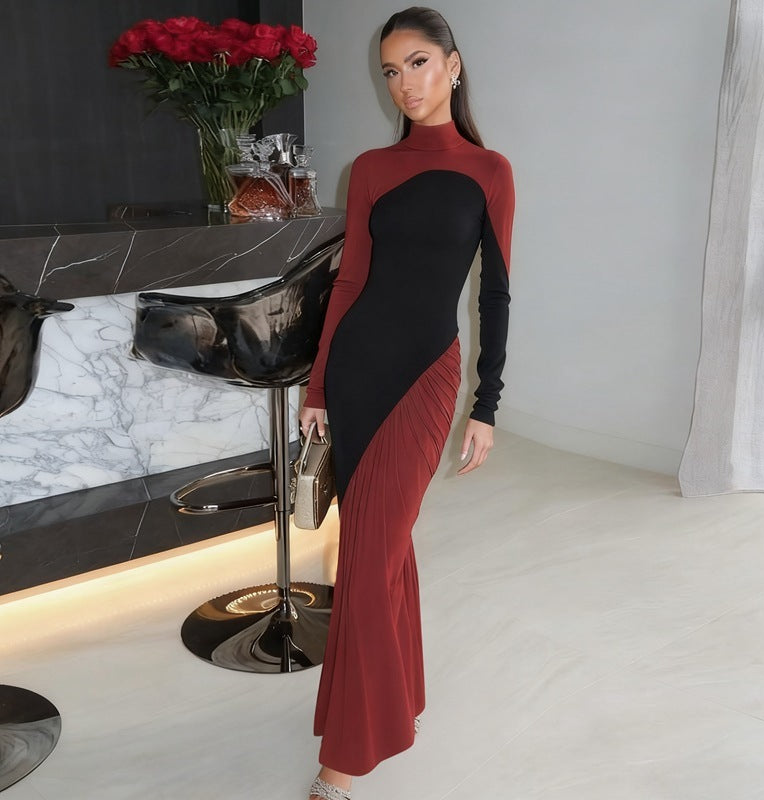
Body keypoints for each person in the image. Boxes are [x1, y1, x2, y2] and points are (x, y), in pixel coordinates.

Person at [299, 7, 514, 799]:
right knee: (374, 548)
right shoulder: (370, 168)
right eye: (391, 71)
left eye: (418, 63)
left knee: (373, 553)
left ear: (453, 66)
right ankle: (396, 702)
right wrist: (318, 385)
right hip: (358, 373)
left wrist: (487, 404)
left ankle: (345, 758)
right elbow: (350, 281)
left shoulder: (490, 170)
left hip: (426, 379)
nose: (404, 84)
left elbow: (494, 293)